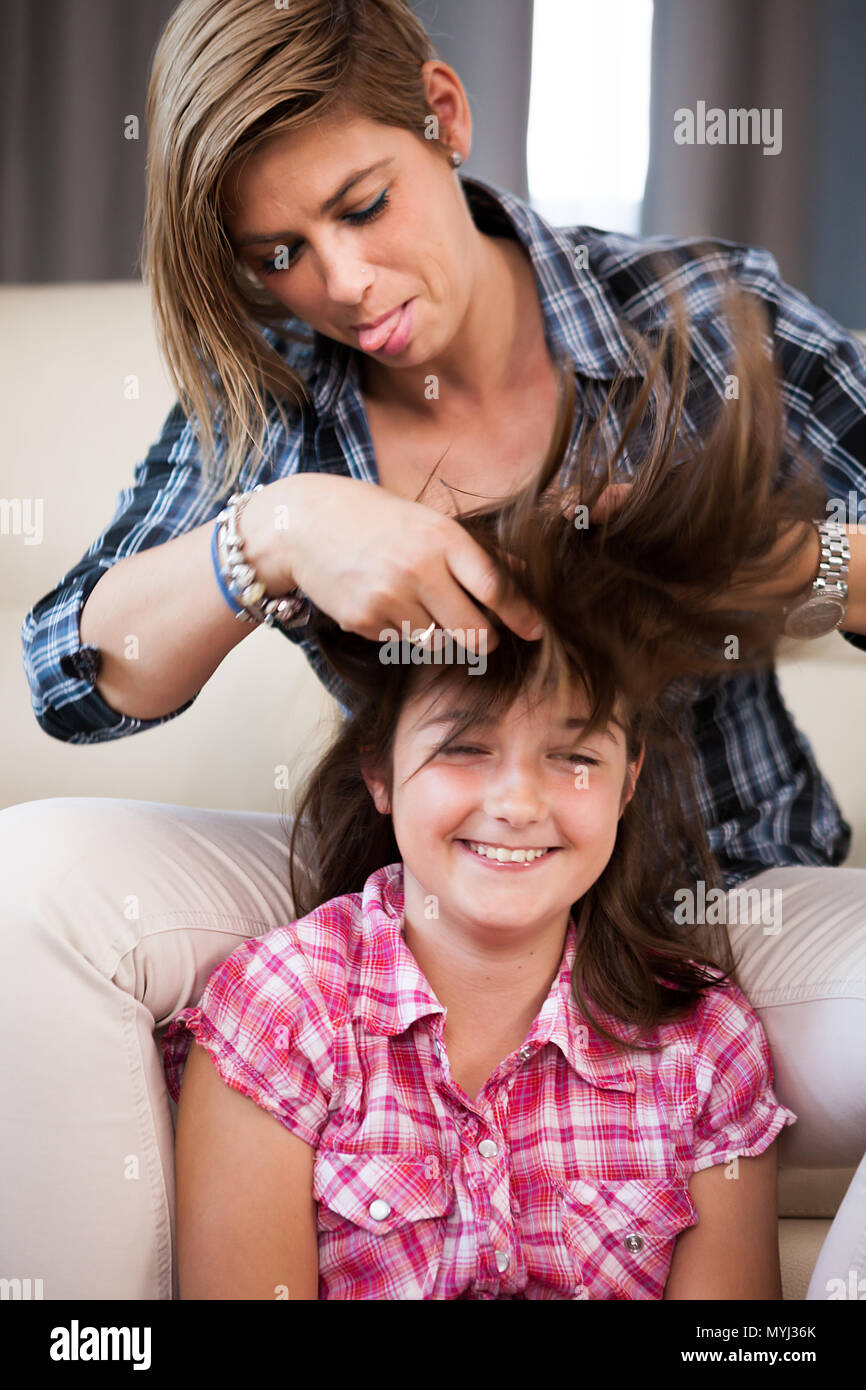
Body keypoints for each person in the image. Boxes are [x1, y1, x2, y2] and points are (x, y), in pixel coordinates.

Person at [4, 0, 865, 1299]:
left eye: (363, 205)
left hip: (716, 905)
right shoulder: (276, 398)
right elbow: (72, 674)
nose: (339, 283)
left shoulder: (695, 318)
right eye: (279, 250)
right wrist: (269, 535)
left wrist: (803, 564)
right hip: (413, 885)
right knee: (34, 878)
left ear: (442, 115)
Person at [164, 298, 814, 1299]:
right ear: (379, 770)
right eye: (465, 750)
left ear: (629, 776)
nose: (517, 803)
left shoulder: (704, 1041)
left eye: (573, 758)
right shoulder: (278, 1012)